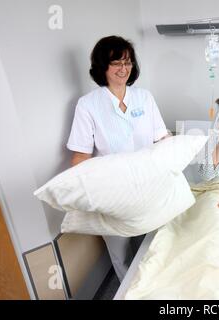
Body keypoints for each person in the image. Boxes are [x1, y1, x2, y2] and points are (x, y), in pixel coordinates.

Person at [66, 35, 169, 282]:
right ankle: (128, 291)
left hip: (148, 182)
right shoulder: (88, 105)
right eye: (116, 63)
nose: (124, 69)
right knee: (120, 251)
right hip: (113, 190)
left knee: (154, 243)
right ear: (102, 67)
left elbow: (162, 140)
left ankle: (155, 287)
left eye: (128, 62)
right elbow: (80, 156)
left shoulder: (144, 97)